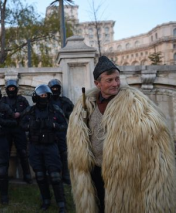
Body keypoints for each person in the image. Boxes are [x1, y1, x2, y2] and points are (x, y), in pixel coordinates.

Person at [67, 56, 176, 213]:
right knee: (98, 206)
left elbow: (155, 131)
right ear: (97, 84)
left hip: (122, 174)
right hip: (95, 171)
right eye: (109, 80)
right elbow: (77, 136)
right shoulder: (86, 105)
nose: (115, 84)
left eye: (117, 79)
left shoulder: (135, 103)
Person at [20, 84, 67, 213]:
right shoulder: (30, 111)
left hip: (51, 147)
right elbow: (21, 124)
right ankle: (46, 200)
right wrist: (31, 125)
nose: (43, 97)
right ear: (36, 97)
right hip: (35, 147)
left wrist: (53, 125)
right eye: (41, 95)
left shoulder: (55, 109)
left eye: (45, 95)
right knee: (40, 175)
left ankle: (61, 203)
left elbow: (64, 125)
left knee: (55, 176)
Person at [0, 79, 32, 184]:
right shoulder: (3, 100)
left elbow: (29, 113)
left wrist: (20, 115)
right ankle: (4, 175)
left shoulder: (22, 100)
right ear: (7, 89)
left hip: (19, 129)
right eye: (10, 88)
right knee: (5, 153)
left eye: (13, 88)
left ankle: (27, 175)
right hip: (6, 129)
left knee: (23, 152)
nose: (11, 90)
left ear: (16, 89)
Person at [48, 79, 74, 185]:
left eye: (56, 88)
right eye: (53, 88)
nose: (55, 90)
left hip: (62, 131)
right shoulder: (46, 101)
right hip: (49, 131)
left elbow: (73, 114)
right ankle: (54, 175)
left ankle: (66, 175)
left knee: (64, 154)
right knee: (51, 155)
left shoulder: (64, 101)